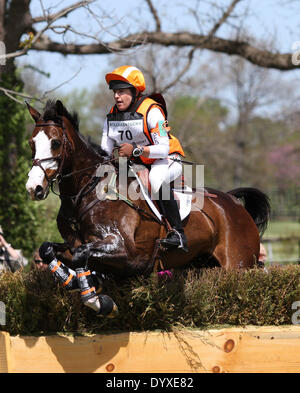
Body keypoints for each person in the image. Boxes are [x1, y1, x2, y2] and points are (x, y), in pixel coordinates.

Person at [101, 65, 188, 251]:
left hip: (167, 159)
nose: (117, 96)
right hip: (136, 164)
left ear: (134, 91)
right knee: (107, 181)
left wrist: (135, 150)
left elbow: (163, 149)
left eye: (122, 91)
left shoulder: (153, 110)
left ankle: (178, 234)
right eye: (115, 92)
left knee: (156, 181)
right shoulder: (111, 116)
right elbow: (104, 150)